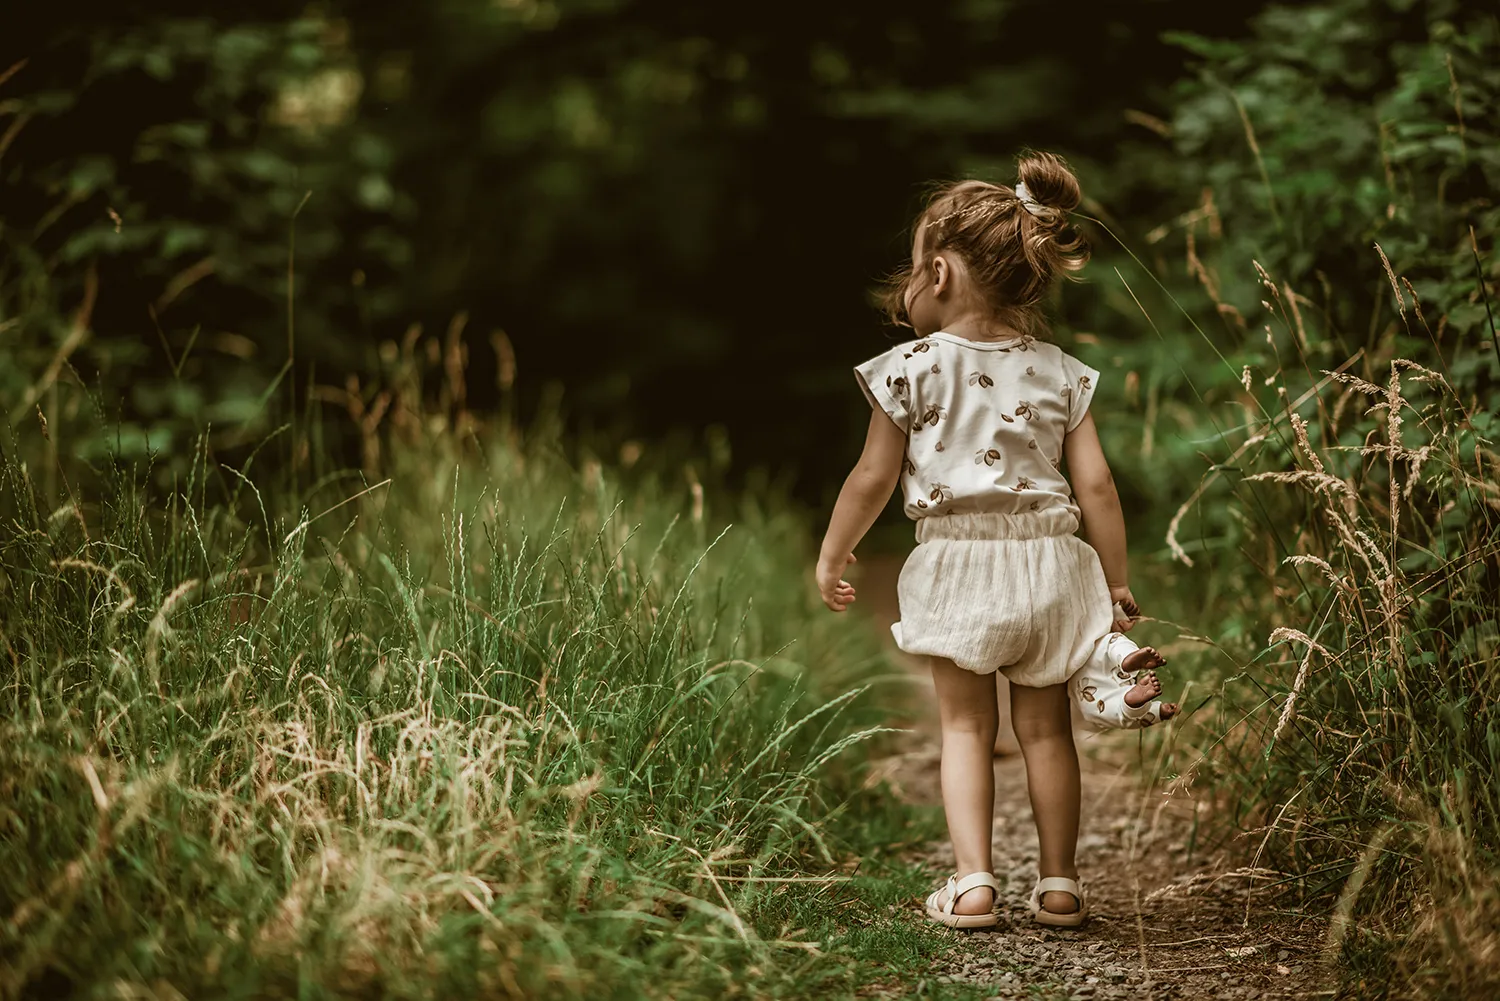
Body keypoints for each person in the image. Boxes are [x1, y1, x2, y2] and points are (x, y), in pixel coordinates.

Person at [815, 152, 1177, 931]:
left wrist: (835, 551)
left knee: (965, 726)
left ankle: (974, 883)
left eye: (913, 269)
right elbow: (1099, 487)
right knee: (1047, 730)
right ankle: (1060, 885)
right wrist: (1113, 583)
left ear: (940, 273)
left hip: (957, 563)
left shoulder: (908, 368)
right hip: (1051, 567)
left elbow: (872, 477)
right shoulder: (1061, 371)